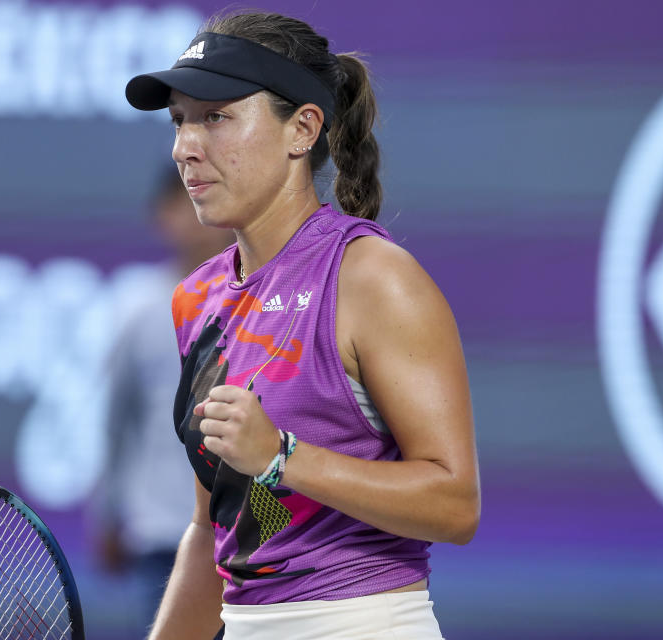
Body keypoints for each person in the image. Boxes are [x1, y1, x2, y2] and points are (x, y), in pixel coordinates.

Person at [124, 11, 480, 640]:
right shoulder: (197, 300)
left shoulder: (374, 278)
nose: (185, 146)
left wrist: (284, 458)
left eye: (217, 116)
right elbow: (214, 530)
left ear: (303, 129)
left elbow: (455, 505)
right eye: (180, 121)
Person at [91, 167, 233, 638]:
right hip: (162, 537)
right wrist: (110, 514)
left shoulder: (269, 302)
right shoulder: (137, 308)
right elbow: (116, 422)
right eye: (181, 203)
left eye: (203, 199)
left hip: (247, 538)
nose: (194, 218)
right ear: (161, 216)